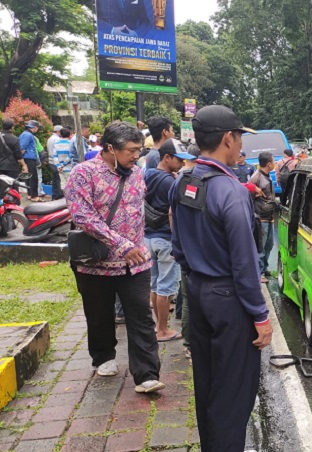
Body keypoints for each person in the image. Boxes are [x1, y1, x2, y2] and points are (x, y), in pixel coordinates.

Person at [169, 105, 272, 451]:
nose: (241, 145)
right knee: (234, 392)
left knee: (208, 382)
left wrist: (197, 275)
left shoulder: (183, 182)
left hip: (198, 292)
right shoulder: (231, 191)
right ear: (228, 138)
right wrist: (260, 316)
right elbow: (245, 263)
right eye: (240, 137)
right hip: (229, 301)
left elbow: (178, 245)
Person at [65, 121, 164, 394]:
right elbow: (82, 216)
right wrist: (120, 244)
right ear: (110, 148)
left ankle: (146, 374)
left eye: (139, 150)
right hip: (96, 263)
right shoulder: (83, 173)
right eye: (131, 150)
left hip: (136, 261)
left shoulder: (138, 173)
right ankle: (103, 356)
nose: (136, 156)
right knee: (99, 314)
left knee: (141, 316)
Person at [144, 139, 194, 342]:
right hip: (165, 238)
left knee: (155, 285)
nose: (182, 164)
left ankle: (159, 326)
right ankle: (163, 330)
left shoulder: (148, 174)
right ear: (166, 157)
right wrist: (177, 241)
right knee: (166, 287)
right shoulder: (171, 182)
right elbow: (173, 213)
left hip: (148, 237)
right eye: (179, 160)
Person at [250, 152, 277, 283]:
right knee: (260, 247)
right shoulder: (256, 178)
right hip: (261, 218)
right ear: (269, 164)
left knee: (269, 245)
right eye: (273, 161)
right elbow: (248, 196)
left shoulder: (266, 176)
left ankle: (264, 268)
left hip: (269, 217)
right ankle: (259, 272)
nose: (275, 164)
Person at [20, 120, 41, 201]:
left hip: (27, 158)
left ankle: (30, 194)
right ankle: (34, 196)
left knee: (28, 177)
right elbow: (22, 147)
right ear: (34, 127)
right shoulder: (28, 135)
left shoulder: (24, 134)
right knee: (33, 177)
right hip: (29, 158)